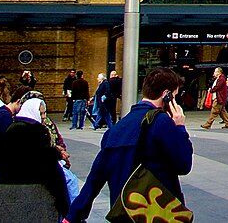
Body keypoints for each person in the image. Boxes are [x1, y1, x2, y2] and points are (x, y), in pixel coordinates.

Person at [64, 68, 192, 223]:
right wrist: (179, 127)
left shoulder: (116, 129)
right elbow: (184, 165)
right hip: (156, 213)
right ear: (167, 95)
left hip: (124, 212)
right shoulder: (161, 123)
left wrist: (73, 216)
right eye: (175, 96)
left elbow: (95, 178)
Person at [0, 96, 70, 216]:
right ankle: (68, 212)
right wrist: (58, 153)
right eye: (41, 113)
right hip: (21, 172)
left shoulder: (19, 125)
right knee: (65, 177)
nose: (43, 117)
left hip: (16, 170)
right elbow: (41, 153)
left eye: (44, 113)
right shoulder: (31, 129)